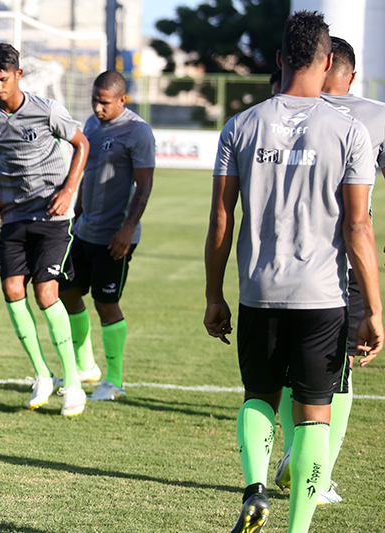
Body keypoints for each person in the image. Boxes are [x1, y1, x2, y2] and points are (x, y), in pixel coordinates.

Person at [204, 11, 382, 533]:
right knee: (314, 417)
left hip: (259, 292)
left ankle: (255, 488)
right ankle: (298, 528)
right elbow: (358, 226)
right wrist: (374, 309)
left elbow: (221, 219)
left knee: (258, 396)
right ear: (328, 63)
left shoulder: (241, 125)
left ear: (280, 59)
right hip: (322, 297)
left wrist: (214, 295)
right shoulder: (349, 130)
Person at [274, 35, 385, 505]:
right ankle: (313, 473)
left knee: (285, 366)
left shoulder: (279, 111)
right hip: (344, 261)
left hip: (279, 256)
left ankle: (295, 452)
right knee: (340, 370)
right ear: (350, 74)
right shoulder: (376, 116)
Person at [0, 43, 90, 416]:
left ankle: (73, 384)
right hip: (13, 216)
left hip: (52, 216)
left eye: (3, 79)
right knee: (11, 289)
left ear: (19, 74)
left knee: (46, 292)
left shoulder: (47, 110)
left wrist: (68, 191)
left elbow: (81, 144)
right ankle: (42, 374)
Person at [59, 70, 155, 400]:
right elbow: (88, 172)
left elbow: (144, 185)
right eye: (94, 101)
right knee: (67, 292)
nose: (98, 108)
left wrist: (127, 229)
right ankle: (85, 366)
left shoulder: (138, 131)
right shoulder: (92, 124)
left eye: (105, 103)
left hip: (115, 236)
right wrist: (78, 212)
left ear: (122, 100)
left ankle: (114, 381)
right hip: (84, 229)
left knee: (106, 303)